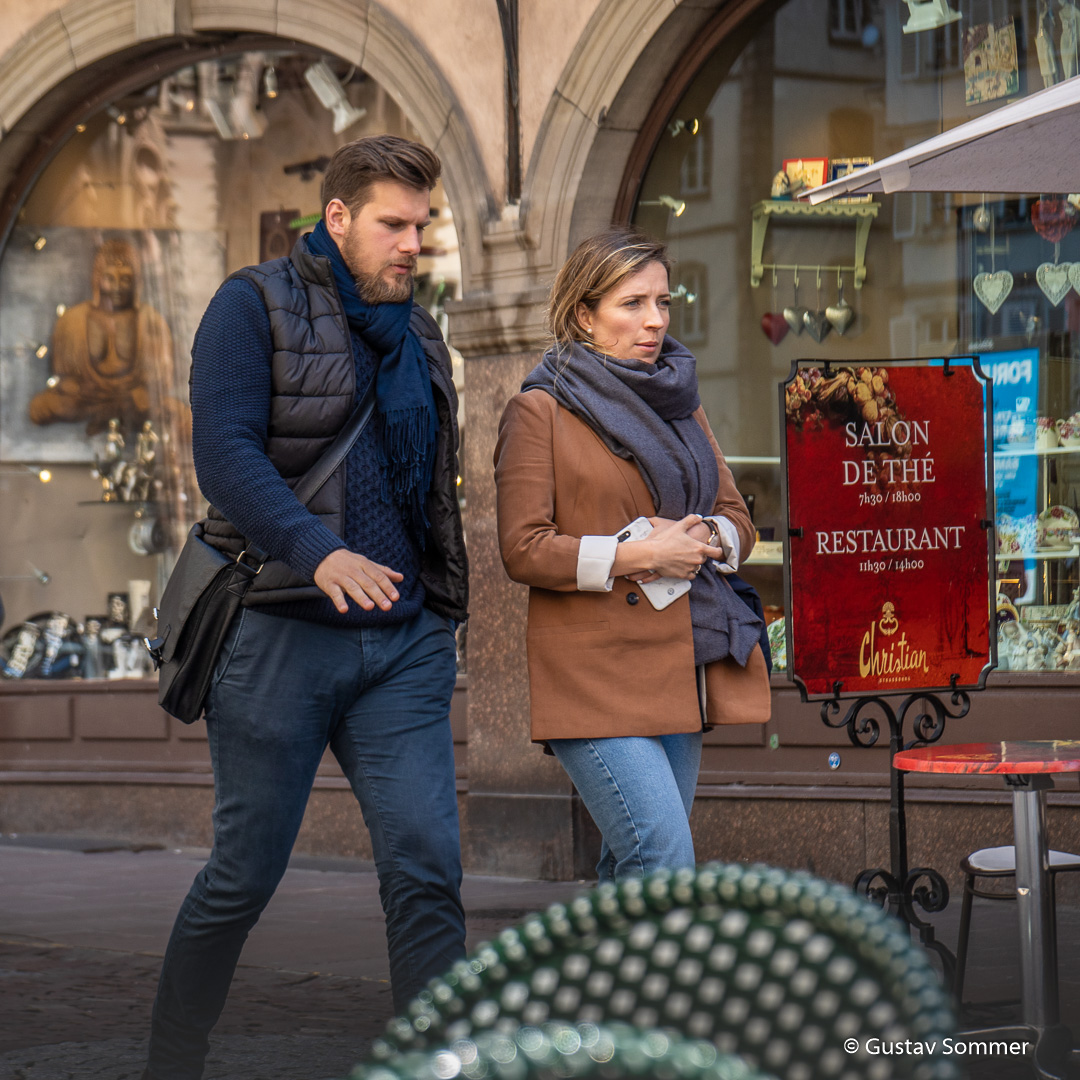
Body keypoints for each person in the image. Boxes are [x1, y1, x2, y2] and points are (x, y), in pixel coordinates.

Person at [143, 135, 469, 1080]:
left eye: (423, 226)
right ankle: (172, 1060)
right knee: (243, 875)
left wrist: (440, 607)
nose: (413, 244)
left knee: (425, 870)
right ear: (337, 218)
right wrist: (319, 552)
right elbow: (229, 460)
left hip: (401, 641)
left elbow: (430, 488)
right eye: (392, 224)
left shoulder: (420, 331)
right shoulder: (251, 305)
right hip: (279, 632)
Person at [494, 227, 770, 883]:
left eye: (663, 302)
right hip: (591, 671)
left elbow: (737, 519)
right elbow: (522, 548)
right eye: (632, 304)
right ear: (584, 315)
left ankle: (600, 985)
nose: (654, 321)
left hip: (677, 660)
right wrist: (639, 555)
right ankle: (666, 989)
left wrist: (705, 539)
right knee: (662, 860)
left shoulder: (681, 403)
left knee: (630, 867)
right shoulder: (540, 410)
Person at [29, 239, 170, 435]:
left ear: (136, 281)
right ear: (97, 279)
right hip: (86, 401)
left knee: (178, 413)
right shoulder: (71, 321)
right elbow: (65, 381)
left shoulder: (152, 322)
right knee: (40, 408)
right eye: (110, 279)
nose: (117, 287)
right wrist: (79, 390)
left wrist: (136, 395)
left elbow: (160, 382)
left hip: (134, 402)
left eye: (125, 279)